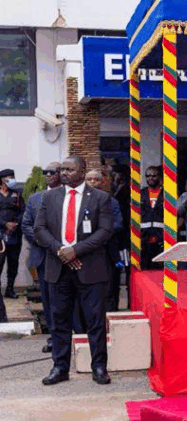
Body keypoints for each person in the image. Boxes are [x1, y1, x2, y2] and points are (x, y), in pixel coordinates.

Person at [34, 156, 114, 385]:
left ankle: (99, 367)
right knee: (59, 320)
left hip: (90, 268)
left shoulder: (100, 198)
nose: (65, 173)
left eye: (70, 169)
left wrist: (75, 251)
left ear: (82, 170)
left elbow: (105, 232)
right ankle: (60, 368)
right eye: (63, 169)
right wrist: (61, 251)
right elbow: (39, 229)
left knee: (94, 320)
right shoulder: (49, 197)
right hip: (58, 268)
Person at [21, 162, 62, 348]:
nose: (47, 175)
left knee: (68, 298)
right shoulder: (35, 198)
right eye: (46, 172)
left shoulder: (69, 197)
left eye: (52, 172)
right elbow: (26, 225)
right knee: (48, 299)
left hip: (67, 255)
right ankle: (54, 338)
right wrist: (46, 242)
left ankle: (76, 335)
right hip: (44, 255)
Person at [85, 169, 125, 312]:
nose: (93, 182)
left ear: (102, 182)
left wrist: (100, 234)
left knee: (110, 289)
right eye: (90, 179)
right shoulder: (78, 201)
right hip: (85, 252)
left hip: (108, 251)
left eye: (96, 179)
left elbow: (118, 224)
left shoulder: (111, 201)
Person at [0, 168, 24, 298]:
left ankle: (10, 289)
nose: (12, 180)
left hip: (15, 233)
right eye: (9, 177)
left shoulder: (17, 194)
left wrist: (15, 224)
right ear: (2, 180)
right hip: (1, 234)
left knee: (13, 263)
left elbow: (23, 211)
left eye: (13, 177)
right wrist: (5, 224)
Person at [139, 165, 164, 269]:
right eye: (148, 176)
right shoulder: (140, 194)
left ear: (160, 177)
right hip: (144, 238)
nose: (151, 178)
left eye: (154, 176)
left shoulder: (167, 194)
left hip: (162, 238)